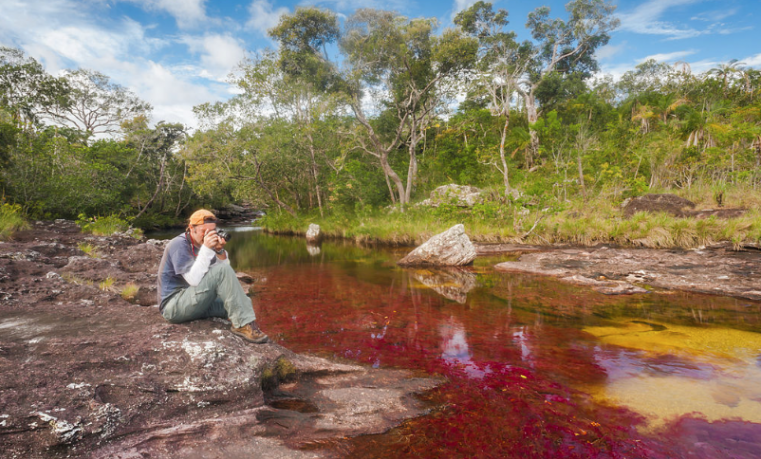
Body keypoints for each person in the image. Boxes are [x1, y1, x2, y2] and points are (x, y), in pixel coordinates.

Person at [157, 209, 269, 344]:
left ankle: (242, 321)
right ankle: (241, 325)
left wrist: (219, 250)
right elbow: (194, 280)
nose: (208, 235)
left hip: (193, 300)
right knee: (230, 289)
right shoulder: (178, 245)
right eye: (205, 231)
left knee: (242, 302)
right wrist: (206, 248)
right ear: (192, 228)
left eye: (212, 231)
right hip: (174, 307)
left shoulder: (202, 245)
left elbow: (224, 270)